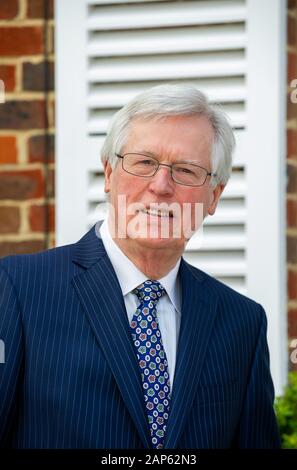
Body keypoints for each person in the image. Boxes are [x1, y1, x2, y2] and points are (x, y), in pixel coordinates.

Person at [0, 84, 280, 449]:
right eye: (144, 162)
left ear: (214, 195)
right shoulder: (18, 289)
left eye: (186, 170)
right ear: (108, 173)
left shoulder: (242, 322)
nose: (161, 186)